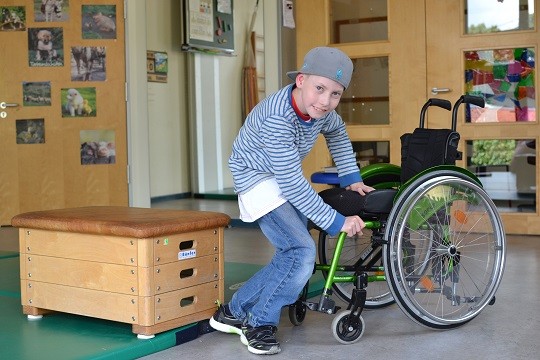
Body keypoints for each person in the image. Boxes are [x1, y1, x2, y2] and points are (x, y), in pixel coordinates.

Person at [209, 46, 374, 355]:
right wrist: (337, 222)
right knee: (300, 251)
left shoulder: (323, 113)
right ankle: (259, 323)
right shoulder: (277, 117)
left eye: (335, 94)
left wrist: (352, 179)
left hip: (280, 178)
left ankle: (232, 312)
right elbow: (293, 185)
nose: (325, 102)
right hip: (255, 178)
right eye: (319, 89)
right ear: (301, 81)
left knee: (293, 252)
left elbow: (337, 134)